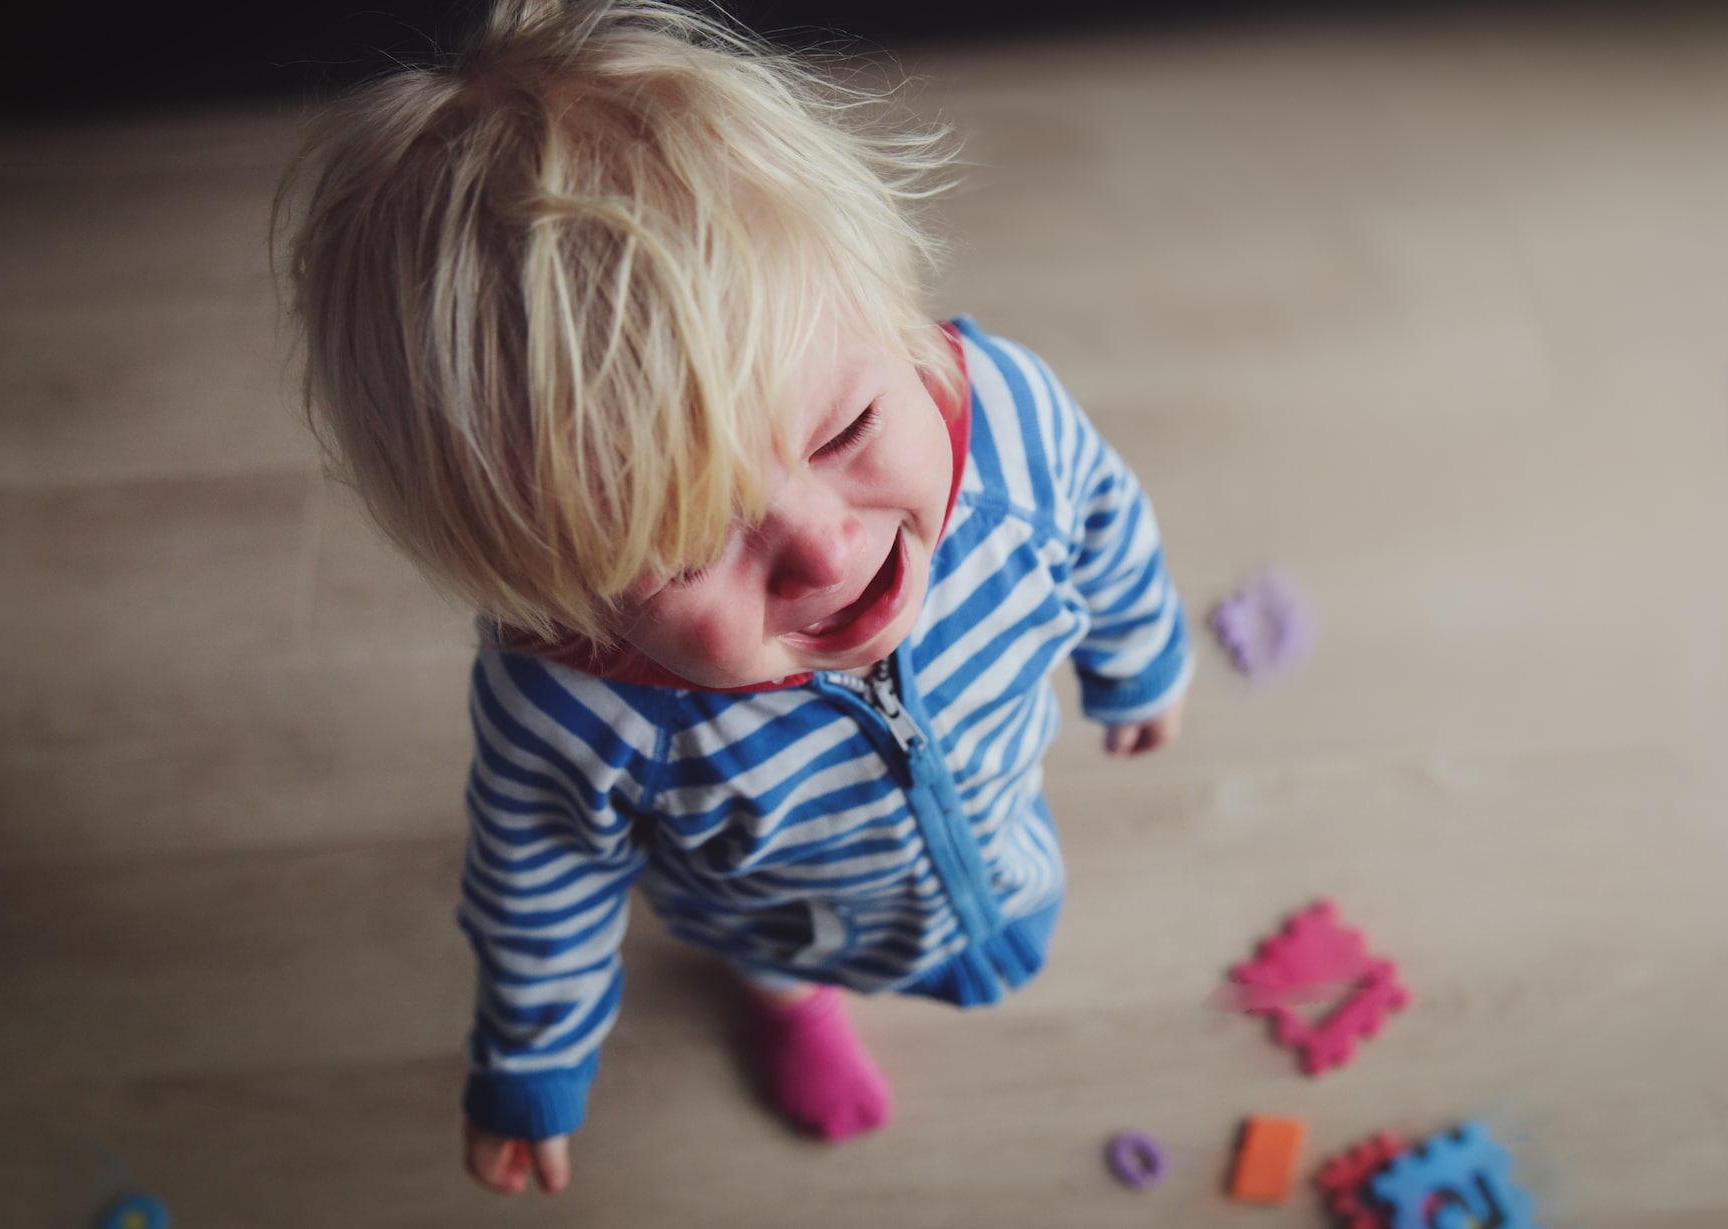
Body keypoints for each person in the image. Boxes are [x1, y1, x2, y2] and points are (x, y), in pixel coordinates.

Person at [277, 0, 1191, 1196]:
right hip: (776, 909)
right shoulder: (572, 710)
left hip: (993, 783)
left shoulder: (1006, 422)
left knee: (992, 846)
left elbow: (1102, 515)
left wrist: (1139, 652)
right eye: (685, 546)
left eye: (850, 425)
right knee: (778, 958)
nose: (822, 546)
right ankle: (789, 1004)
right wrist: (530, 1060)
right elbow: (534, 881)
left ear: (892, 312)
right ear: (559, 596)